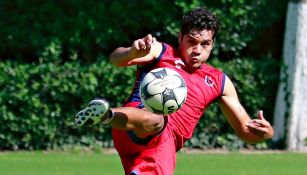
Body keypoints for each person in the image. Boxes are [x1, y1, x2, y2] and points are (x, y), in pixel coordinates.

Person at [75, 7, 274, 175]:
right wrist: (132, 52)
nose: (197, 50)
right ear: (180, 37)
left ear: (212, 44)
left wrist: (266, 134)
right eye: (192, 41)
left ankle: (104, 115)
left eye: (205, 44)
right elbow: (115, 59)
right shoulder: (160, 51)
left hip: (163, 146)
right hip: (131, 124)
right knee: (157, 119)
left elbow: (247, 132)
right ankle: (105, 115)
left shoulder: (219, 82)